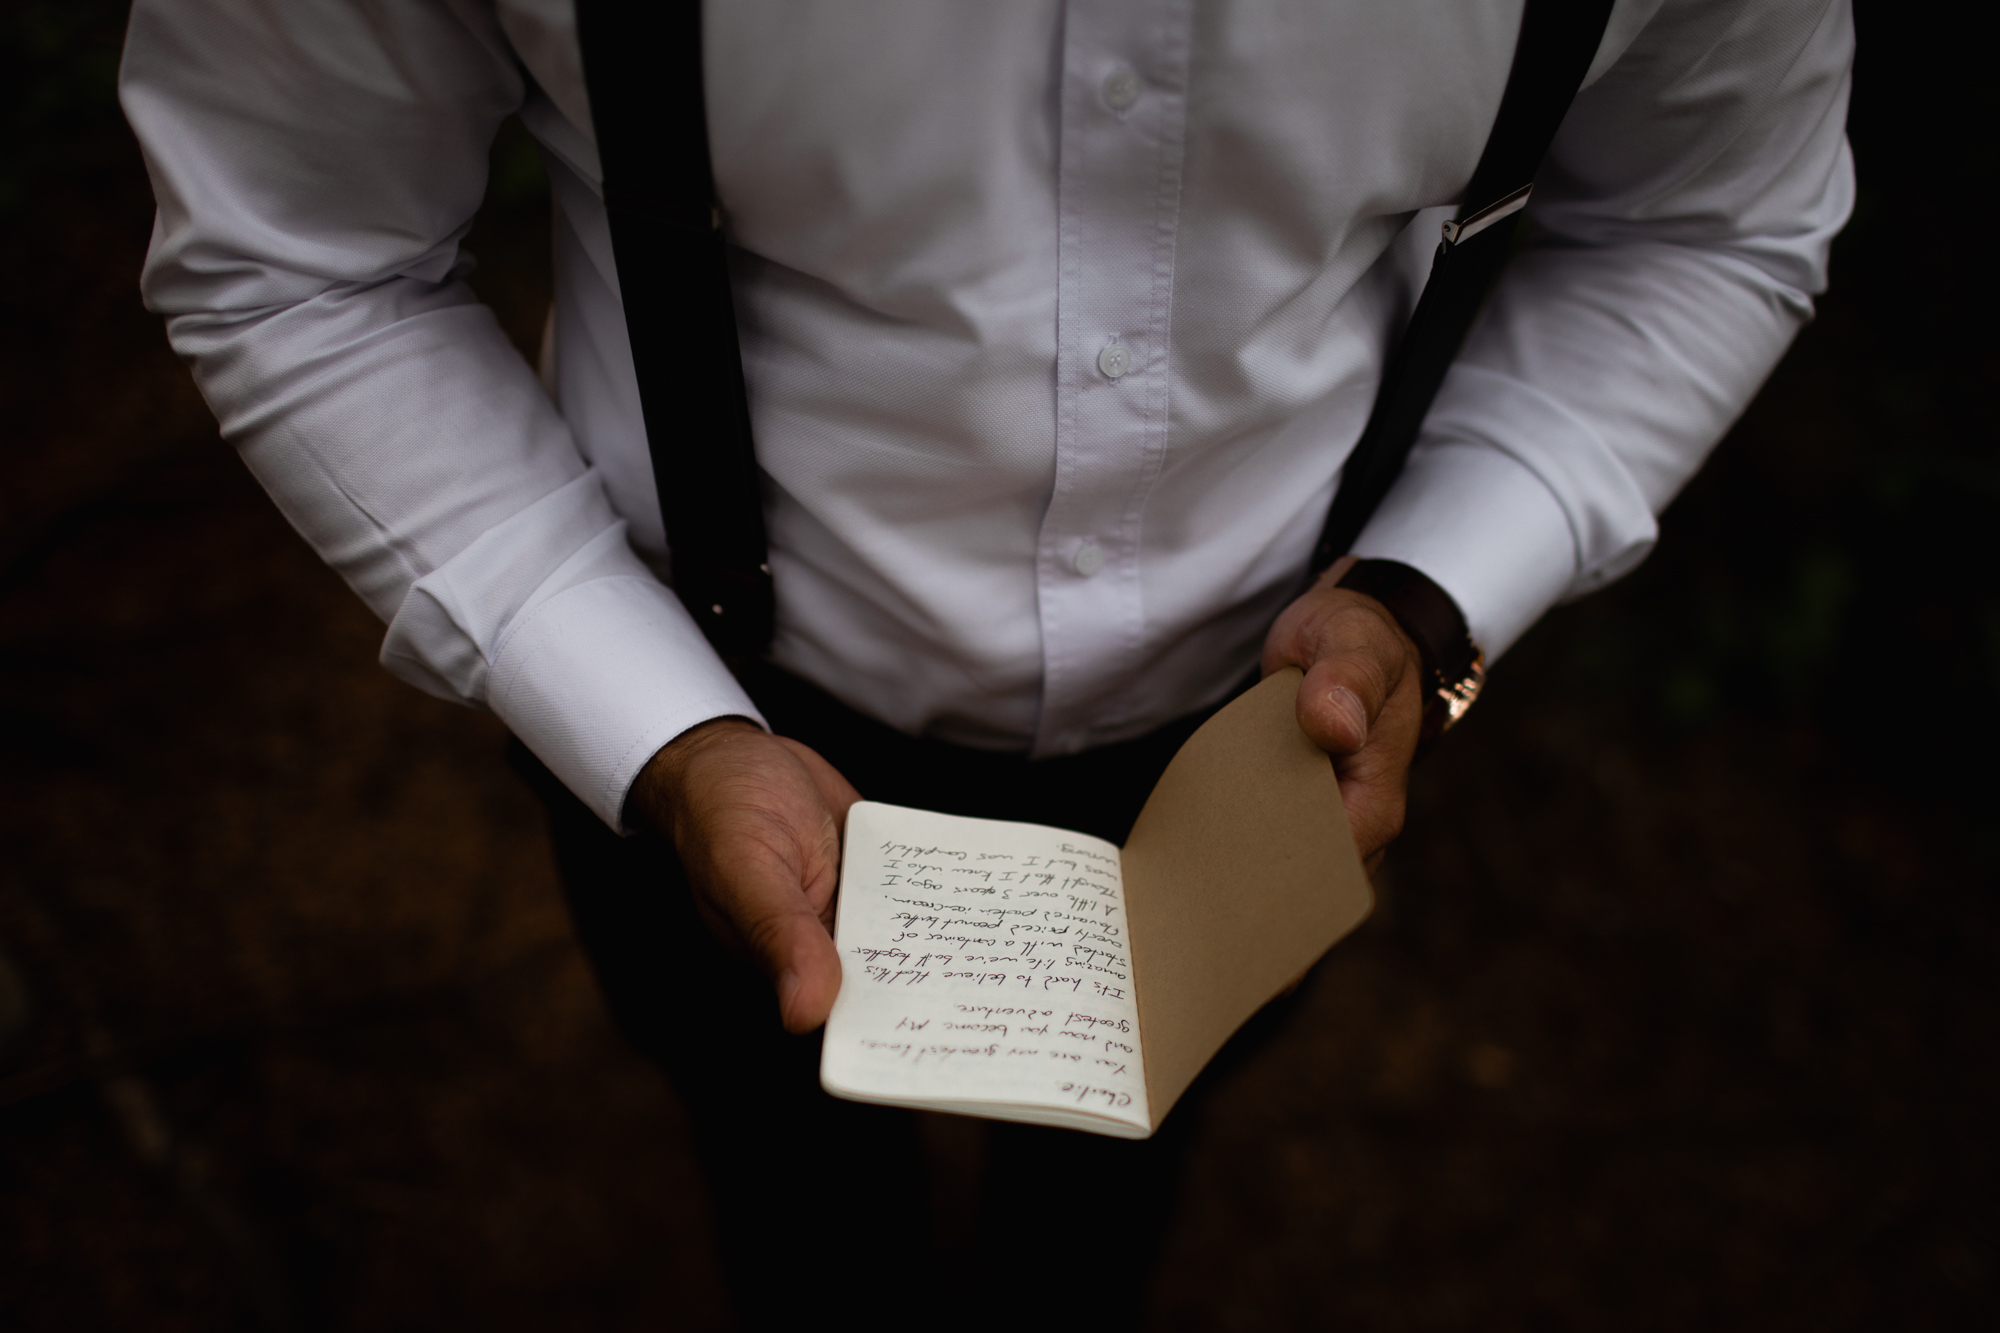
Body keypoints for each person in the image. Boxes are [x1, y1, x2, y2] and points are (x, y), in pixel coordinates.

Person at [121, 0, 1853, 1323]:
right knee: (782, 1173)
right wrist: (647, 724)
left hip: (1260, 737)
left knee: (1120, 1190)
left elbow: (1705, 220)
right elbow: (299, 247)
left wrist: (1433, 587)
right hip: (686, 706)